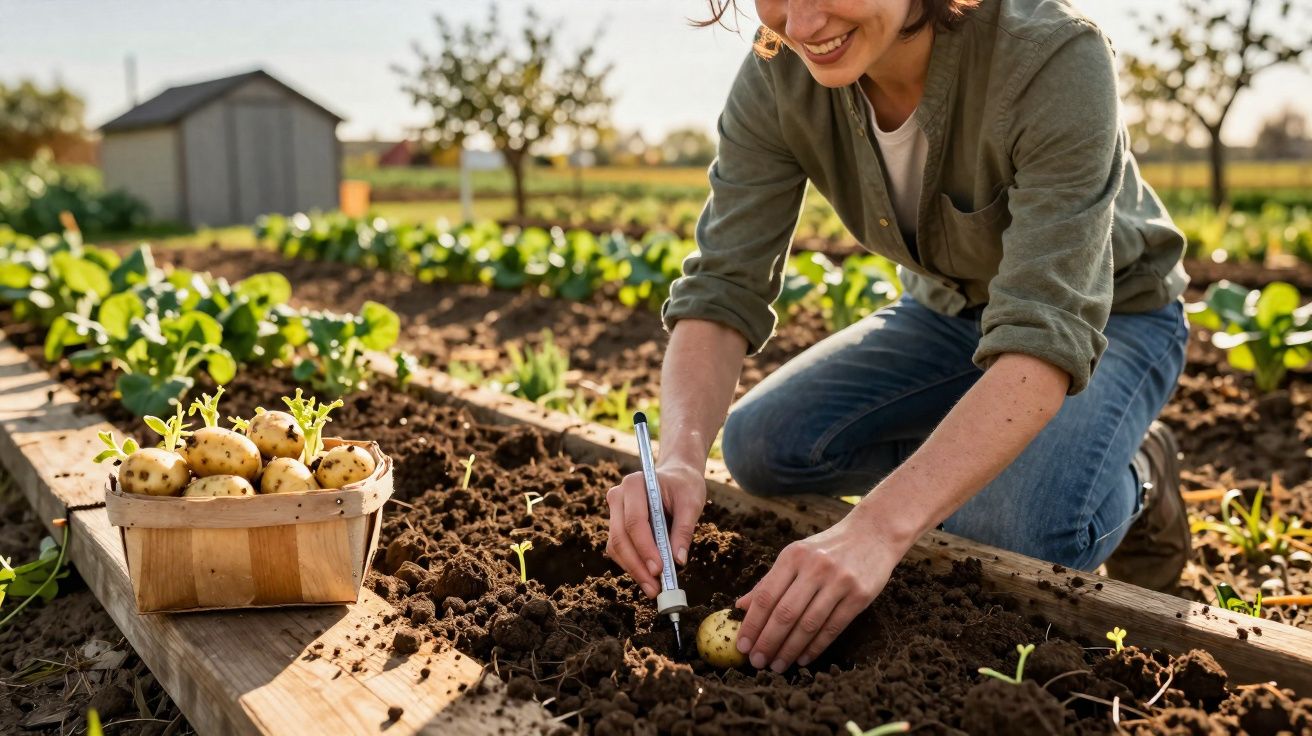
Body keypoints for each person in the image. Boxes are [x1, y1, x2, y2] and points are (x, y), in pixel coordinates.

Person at [604, 0, 1191, 674]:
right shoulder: (779, 69)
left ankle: (1142, 467)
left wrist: (879, 526)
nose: (798, 27)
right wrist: (677, 458)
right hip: (946, 315)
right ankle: (990, 452)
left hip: (1112, 317)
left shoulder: (1053, 57)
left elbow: (1043, 336)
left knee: (1008, 530)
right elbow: (722, 286)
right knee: (761, 445)